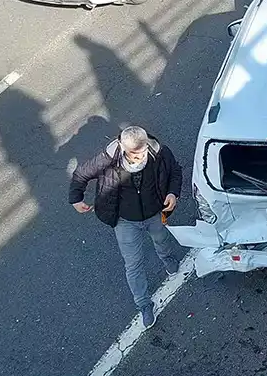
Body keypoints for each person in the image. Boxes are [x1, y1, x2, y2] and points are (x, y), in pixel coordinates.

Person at [69, 126, 184, 330]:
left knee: (162, 240)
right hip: (125, 221)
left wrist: (173, 193)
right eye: (133, 154)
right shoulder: (107, 159)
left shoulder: (160, 153)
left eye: (142, 152)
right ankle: (144, 305)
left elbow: (175, 171)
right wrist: (76, 199)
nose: (139, 158)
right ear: (122, 147)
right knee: (133, 264)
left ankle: (169, 261)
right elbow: (81, 174)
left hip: (155, 213)